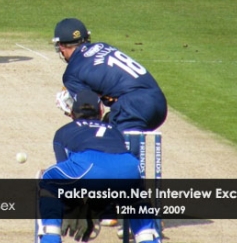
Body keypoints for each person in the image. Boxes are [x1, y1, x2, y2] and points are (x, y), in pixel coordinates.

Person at [37, 89, 162, 243]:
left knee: (48, 179)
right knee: (135, 195)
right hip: (128, 166)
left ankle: (51, 235)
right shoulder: (114, 131)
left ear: (72, 114)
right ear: (101, 111)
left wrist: (76, 211)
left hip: (88, 164)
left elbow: (67, 183)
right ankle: (147, 237)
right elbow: (111, 174)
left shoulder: (63, 132)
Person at [53, 18, 167, 136]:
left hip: (133, 106)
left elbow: (91, 112)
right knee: (109, 124)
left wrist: (73, 111)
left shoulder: (72, 73)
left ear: (61, 46)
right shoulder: (103, 45)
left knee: (113, 148)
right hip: (159, 102)